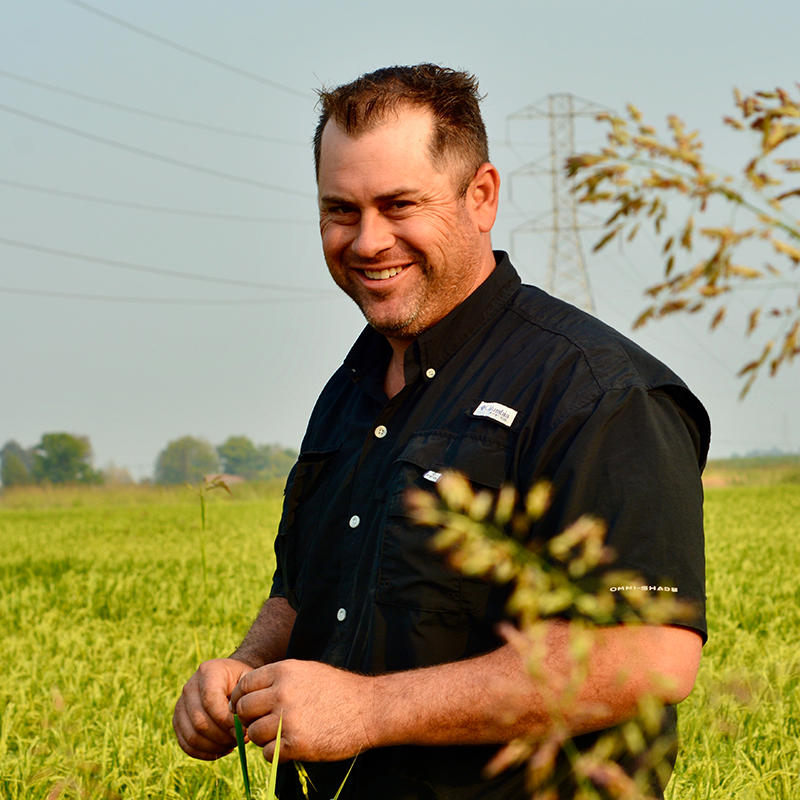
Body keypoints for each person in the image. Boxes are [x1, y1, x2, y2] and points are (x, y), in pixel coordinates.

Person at [172, 64, 709, 799]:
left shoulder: (595, 391)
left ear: (480, 196)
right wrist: (242, 673)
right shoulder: (351, 387)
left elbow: (646, 657)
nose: (367, 241)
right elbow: (305, 594)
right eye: (340, 211)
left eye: (399, 204)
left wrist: (367, 710)